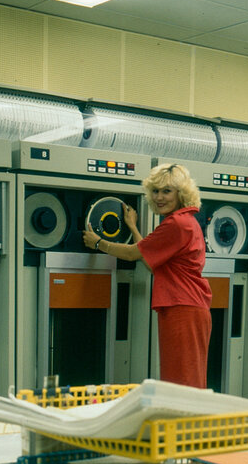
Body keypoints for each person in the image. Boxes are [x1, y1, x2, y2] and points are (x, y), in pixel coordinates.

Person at [83, 163, 210, 388]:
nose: (159, 197)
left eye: (167, 191)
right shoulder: (186, 222)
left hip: (183, 308)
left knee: (181, 382)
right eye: (155, 191)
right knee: (183, 379)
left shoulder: (177, 224)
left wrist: (99, 243)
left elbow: (133, 254)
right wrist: (132, 227)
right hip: (186, 307)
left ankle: (184, 423)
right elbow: (152, 263)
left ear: (182, 193)